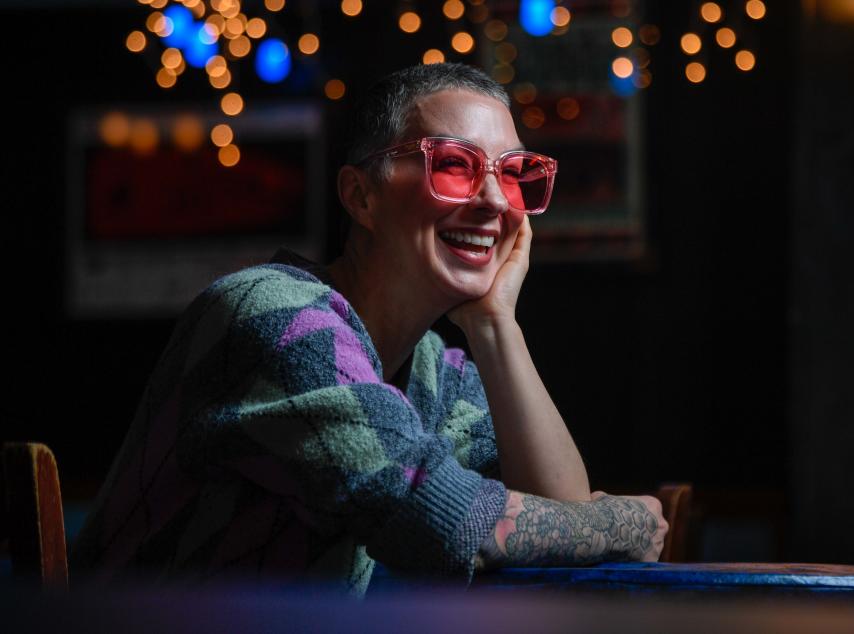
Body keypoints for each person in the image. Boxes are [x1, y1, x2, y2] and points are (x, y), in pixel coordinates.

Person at [71, 62, 668, 595]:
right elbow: (438, 521)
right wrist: (624, 522)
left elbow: (554, 532)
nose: (493, 201)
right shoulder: (272, 313)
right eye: (454, 166)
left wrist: (495, 325)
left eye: (513, 174)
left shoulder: (438, 370)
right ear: (361, 196)